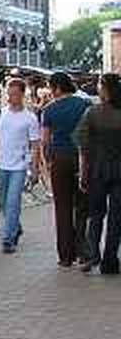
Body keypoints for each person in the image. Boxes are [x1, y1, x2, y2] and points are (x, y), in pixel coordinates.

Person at [0, 77, 42, 254]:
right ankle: (15, 225)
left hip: (19, 165)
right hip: (1, 163)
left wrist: (34, 168)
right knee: (2, 200)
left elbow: (35, 145)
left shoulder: (30, 118)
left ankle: (7, 238)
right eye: (9, 94)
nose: (11, 98)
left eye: (15, 94)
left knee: (13, 201)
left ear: (23, 95)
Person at [40, 72, 91, 268]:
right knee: (81, 206)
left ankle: (65, 255)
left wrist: (47, 161)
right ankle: (82, 250)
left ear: (58, 88)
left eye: (51, 88)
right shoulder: (84, 105)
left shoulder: (49, 110)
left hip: (59, 159)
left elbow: (45, 140)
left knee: (62, 207)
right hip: (81, 158)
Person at [75, 72, 121, 275]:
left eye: (101, 86)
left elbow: (83, 147)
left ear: (106, 90)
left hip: (97, 169)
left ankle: (93, 254)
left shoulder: (91, 113)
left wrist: (83, 173)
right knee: (116, 217)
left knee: (96, 215)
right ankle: (110, 260)